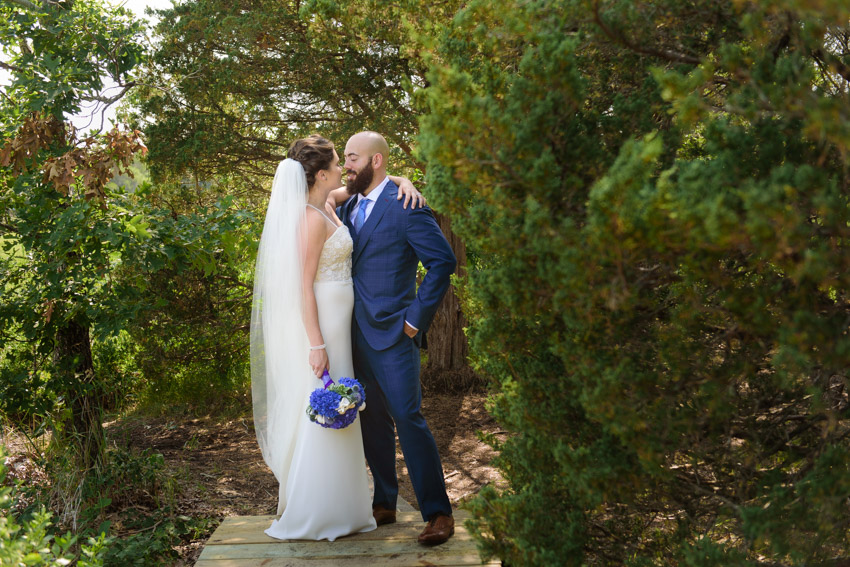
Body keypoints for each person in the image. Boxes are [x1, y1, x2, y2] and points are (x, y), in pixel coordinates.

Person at [250, 134, 425, 541]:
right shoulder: (310, 219)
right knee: (324, 402)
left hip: (344, 326)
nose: (343, 168)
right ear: (321, 174)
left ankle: (347, 505)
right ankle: (320, 509)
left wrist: (402, 180)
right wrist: (316, 344)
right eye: (336, 162)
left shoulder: (328, 202)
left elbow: (372, 181)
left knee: (345, 407)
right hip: (324, 325)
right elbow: (303, 287)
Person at [339, 131, 457, 545]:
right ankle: (384, 502)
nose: (346, 165)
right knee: (370, 418)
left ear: (376, 160)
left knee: (408, 417)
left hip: (394, 332)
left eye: (352, 157)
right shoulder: (348, 203)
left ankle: (438, 512)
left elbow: (442, 262)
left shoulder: (407, 206)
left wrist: (415, 320)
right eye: (344, 158)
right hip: (351, 334)